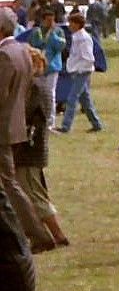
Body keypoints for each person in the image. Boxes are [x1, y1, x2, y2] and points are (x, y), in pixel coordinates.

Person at [13, 48, 69, 249]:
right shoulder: (39, 85)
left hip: (29, 150)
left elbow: (26, 116)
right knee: (33, 193)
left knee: (34, 195)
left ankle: (57, 234)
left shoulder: (35, 87)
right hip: (33, 148)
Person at [56, 11, 104, 134]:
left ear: (77, 24)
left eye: (71, 23)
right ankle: (97, 124)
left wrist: (80, 69)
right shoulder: (76, 36)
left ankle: (65, 127)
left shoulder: (83, 38)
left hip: (82, 71)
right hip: (77, 70)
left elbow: (88, 57)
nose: (69, 26)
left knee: (72, 98)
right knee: (85, 100)